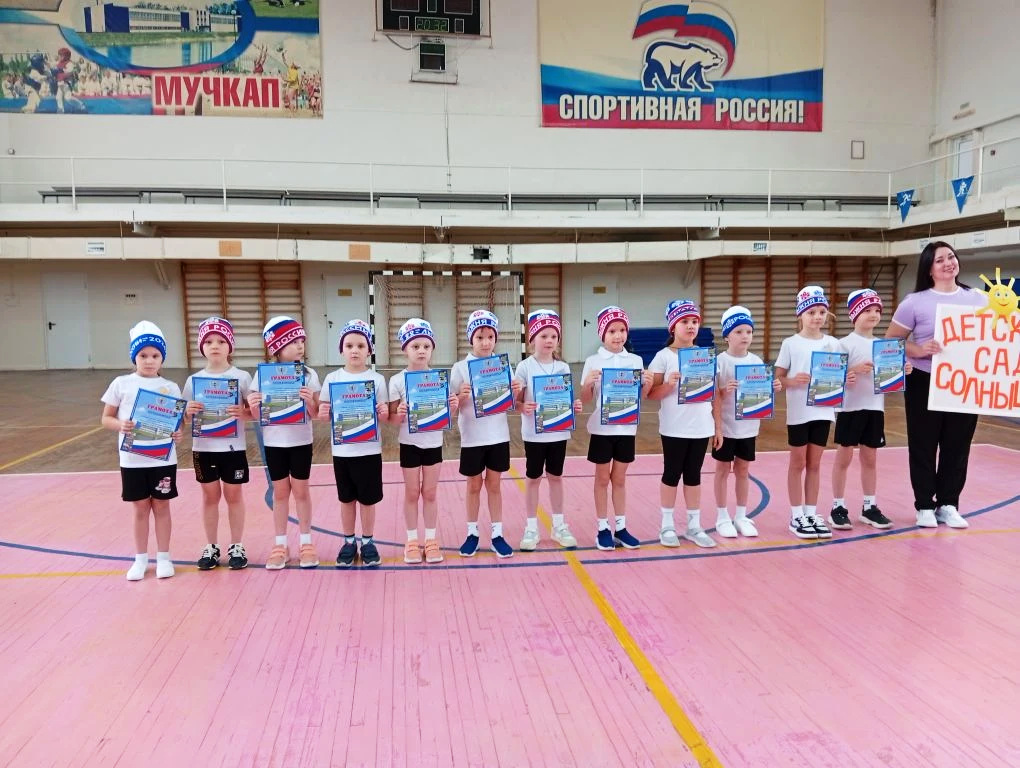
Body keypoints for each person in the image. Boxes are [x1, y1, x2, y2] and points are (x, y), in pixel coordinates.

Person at [885, 241, 984, 529]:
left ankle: (948, 504)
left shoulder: (978, 298)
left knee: (958, 445)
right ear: (929, 269)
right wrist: (919, 349)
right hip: (924, 380)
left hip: (964, 382)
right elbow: (891, 342)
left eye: (951, 257)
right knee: (923, 444)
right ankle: (925, 506)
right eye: (940, 260)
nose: (948, 263)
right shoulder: (914, 302)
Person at [100, 321, 182, 581]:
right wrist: (120, 425)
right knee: (139, 508)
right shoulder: (121, 383)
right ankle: (140, 559)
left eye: (155, 356)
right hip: (132, 460)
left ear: (162, 358)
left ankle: (164, 558)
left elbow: (176, 424)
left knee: (162, 506)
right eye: (143, 355)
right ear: (134, 357)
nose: (149, 361)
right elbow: (106, 418)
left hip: (162, 459)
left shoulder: (171, 387)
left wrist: (177, 433)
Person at [829, 290, 912, 530]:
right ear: (855, 314)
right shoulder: (843, 344)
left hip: (875, 408)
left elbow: (889, 378)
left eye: (877, 310)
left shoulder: (884, 346)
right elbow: (830, 378)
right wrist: (852, 370)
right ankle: (837, 506)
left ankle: (869, 507)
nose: (874, 314)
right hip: (849, 409)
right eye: (867, 310)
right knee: (844, 457)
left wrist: (901, 371)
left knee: (870, 458)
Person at [776, 286, 852, 540]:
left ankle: (810, 512)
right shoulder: (790, 344)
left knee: (815, 464)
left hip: (823, 411)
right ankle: (796, 514)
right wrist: (792, 381)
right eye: (811, 312)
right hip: (799, 412)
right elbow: (778, 378)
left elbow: (840, 374)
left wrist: (846, 378)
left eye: (821, 312)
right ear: (800, 314)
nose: (817, 317)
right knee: (797, 463)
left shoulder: (833, 344)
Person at [247, 316, 321, 569]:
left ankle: (306, 542)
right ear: (276, 348)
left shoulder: (309, 375)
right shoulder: (262, 375)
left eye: (301, 341)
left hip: (301, 442)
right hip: (274, 444)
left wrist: (309, 401)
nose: (300, 346)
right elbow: (257, 416)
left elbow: (316, 413)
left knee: (301, 491)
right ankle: (280, 544)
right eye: (292, 342)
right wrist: (254, 405)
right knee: (280, 493)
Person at [580, 306, 654, 551]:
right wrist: (588, 384)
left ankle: (621, 527)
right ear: (602, 333)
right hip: (602, 431)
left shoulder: (635, 361)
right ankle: (602, 528)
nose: (618, 335)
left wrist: (646, 384)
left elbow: (641, 397)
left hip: (626, 430)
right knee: (602, 479)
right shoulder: (593, 361)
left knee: (620, 479)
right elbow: (586, 398)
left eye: (622, 330)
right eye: (612, 331)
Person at [182, 317, 252, 570]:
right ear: (201, 346)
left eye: (221, 341)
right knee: (210, 497)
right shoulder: (193, 381)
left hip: (233, 449)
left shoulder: (242, 377)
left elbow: (256, 412)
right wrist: (187, 411)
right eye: (209, 341)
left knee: (234, 496)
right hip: (204, 449)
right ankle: (211, 546)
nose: (215, 346)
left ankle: (237, 545)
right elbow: (183, 418)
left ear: (230, 346)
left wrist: (243, 412)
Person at [451, 310, 522, 558]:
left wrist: (515, 391)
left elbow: (510, 404)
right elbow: (451, 408)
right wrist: (460, 395)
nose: (485, 342)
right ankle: (472, 533)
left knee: (494, 485)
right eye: (480, 337)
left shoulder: (503, 366)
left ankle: (497, 534)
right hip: (472, 437)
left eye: (490, 337)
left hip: (498, 436)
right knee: (473, 485)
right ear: (471, 338)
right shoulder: (460, 368)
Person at [318, 320, 389, 567]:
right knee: (346, 499)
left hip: (369, 450)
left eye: (360, 345)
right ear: (341, 350)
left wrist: (383, 412)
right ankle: (349, 541)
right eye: (349, 345)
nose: (355, 350)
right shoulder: (332, 378)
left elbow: (384, 415)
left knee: (368, 500)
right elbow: (323, 414)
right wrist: (323, 412)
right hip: (343, 451)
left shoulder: (377, 380)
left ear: (369, 350)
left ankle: (368, 541)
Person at [389, 318, 459, 564]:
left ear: (432, 349)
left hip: (433, 444)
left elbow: (447, 417)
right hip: (409, 444)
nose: (421, 351)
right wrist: (399, 413)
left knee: (429, 493)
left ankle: (430, 540)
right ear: (405, 349)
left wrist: (453, 407)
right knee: (411, 493)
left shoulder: (440, 379)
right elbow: (391, 420)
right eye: (415, 346)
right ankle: (411, 541)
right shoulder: (397, 381)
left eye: (426, 346)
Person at [648, 299, 717, 548]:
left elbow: (715, 394)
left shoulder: (705, 357)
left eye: (694, 321)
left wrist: (717, 426)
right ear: (673, 326)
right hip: (674, 427)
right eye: (684, 321)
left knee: (694, 475)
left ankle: (694, 526)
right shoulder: (663, 357)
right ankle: (667, 525)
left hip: (701, 426)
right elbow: (651, 394)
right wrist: (669, 385)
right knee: (671, 473)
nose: (690, 326)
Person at [514, 310, 582, 550]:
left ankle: (558, 525)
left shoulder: (563, 367)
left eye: (554, 336)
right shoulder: (524, 367)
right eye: (544, 335)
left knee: (556, 477)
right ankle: (531, 527)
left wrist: (574, 406)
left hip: (558, 433)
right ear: (533, 338)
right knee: (533, 479)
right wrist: (522, 406)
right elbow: (516, 403)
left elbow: (567, 400)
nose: (549, 340)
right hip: (534, 434)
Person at [712, 306, 779, 538]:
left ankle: (741, 515)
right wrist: (723, 392)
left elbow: (759, 394)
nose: (745, 336)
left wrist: (772, 388)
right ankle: (722, 516)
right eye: (739, 332)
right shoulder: (719, 362)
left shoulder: (757, 361)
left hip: (748, 427)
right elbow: (712, 396)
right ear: (727, 335)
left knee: (743, 469)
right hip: (725, 427)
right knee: (722, 469)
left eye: (749, 332)